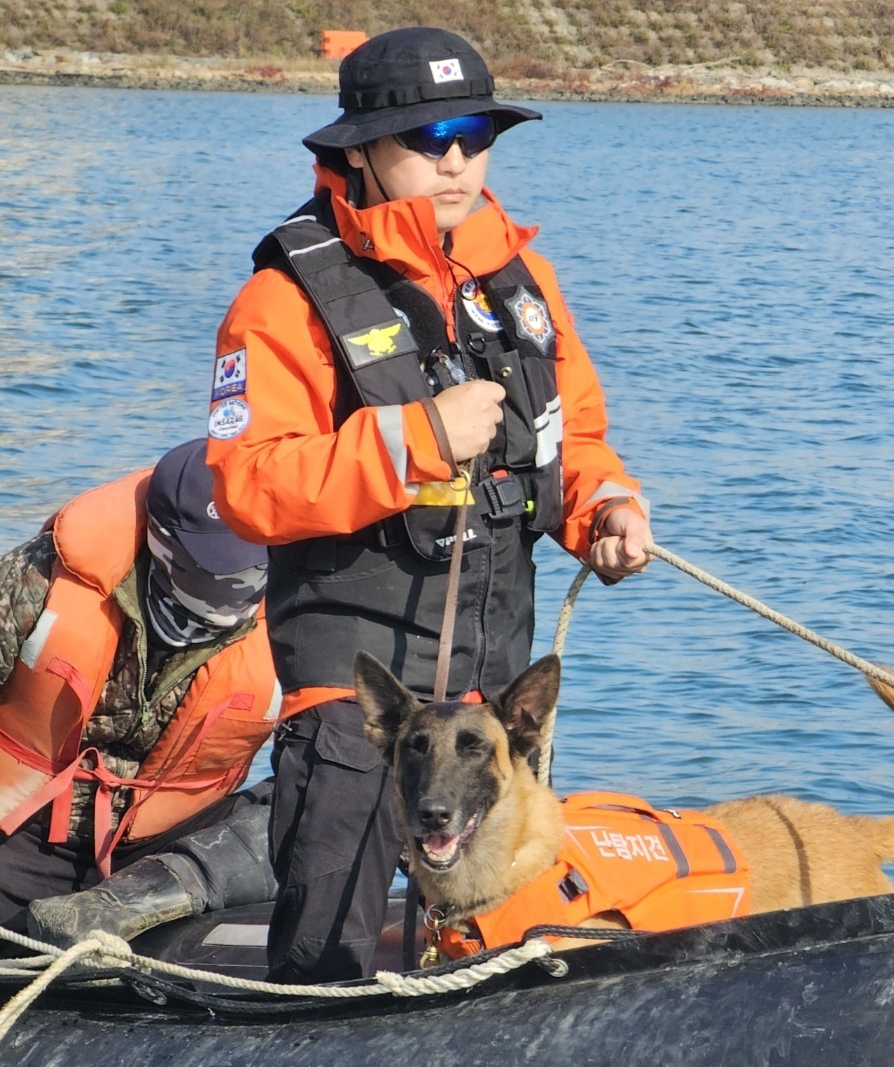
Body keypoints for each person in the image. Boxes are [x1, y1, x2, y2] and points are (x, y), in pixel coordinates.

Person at [205, 26, 652, 983]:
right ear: (356, 150)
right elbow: (247, 485)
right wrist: (414, 441)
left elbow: (572, 438)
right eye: (427, 136)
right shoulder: (282, 300)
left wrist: (605, 507)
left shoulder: (522, 281)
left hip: (494, 715)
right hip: (359, 701)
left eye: (476, 134)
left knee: (506, 964)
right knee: (329, 960)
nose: (455, 159)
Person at [0, 439, 280, 946]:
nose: (236, 584)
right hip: (22, 838)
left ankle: (133, 902)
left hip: (176, 849)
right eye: (213, 566)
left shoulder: (297, 615)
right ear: (161, 541)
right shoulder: (41, 577)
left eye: (252, 565)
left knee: (334, 800)